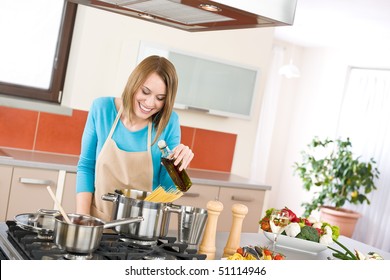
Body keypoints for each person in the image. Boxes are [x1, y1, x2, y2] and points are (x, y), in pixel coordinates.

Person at [76, 55, 194, 221]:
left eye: (160, 98)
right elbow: (86, 167)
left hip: (143, 230)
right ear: (133, 83)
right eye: (145, 92)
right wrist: (82, 218)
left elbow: (168, 189)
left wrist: (178, 166)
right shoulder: (101, 109)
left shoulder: (169, 122)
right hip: (98, 223)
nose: (150, 103)